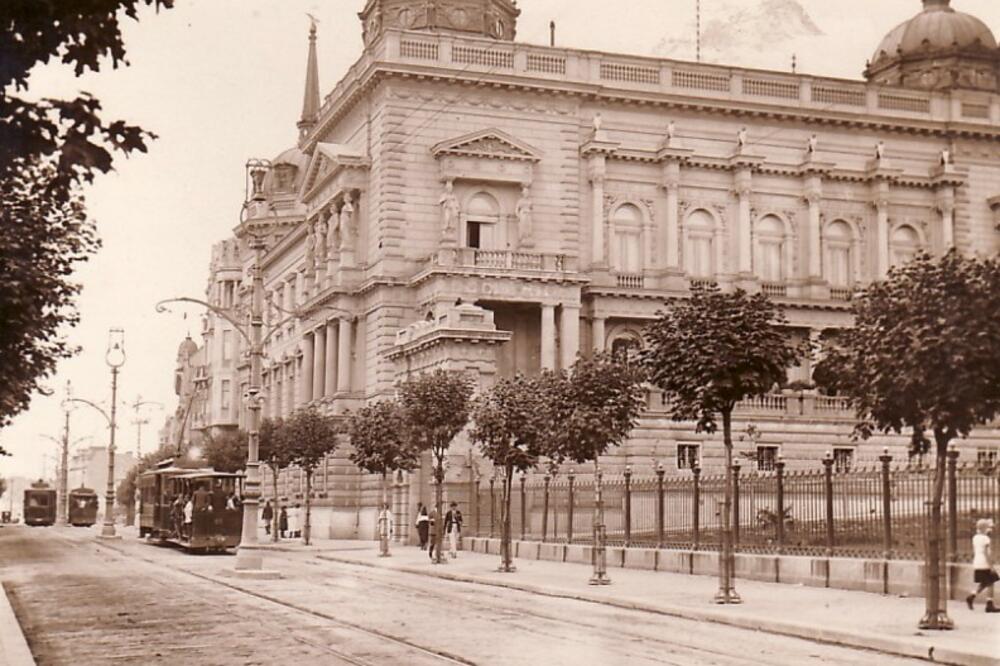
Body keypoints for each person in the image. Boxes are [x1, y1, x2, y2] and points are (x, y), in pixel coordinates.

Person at [966, 518, 1000, 613]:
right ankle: (989, 604)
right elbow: (986, 553)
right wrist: (991, 565)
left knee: (985, 582)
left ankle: (972, 596)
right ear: (985, 529)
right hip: (985, 563)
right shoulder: (986, 539)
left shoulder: (975, 538)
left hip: (977, 562)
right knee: (991, 581)